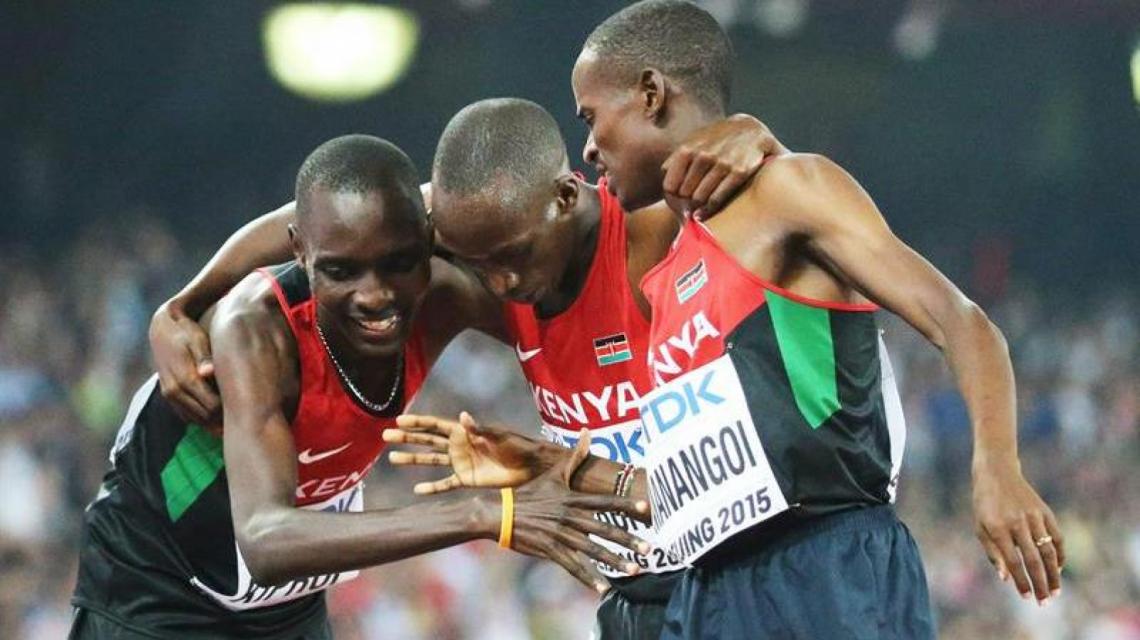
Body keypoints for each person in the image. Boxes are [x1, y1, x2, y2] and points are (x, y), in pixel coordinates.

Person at [395, 1, 1065, 638]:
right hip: (710, 587)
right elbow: (709, 489)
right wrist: (556, 465)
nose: (590, 148)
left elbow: (961, 318)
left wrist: (997, 468)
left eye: (593, 118)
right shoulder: (666, 259)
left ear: (652, 94)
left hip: (825, 566)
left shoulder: (786, 190)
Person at [148, 107, 786, 639]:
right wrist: (185, 302)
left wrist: (762, 142)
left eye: (511, 257)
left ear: (564, 202)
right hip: (642, 598)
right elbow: (330, 220)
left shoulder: (646, 239)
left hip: (749, 578)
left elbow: (791, 214)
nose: (502, 280)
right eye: (480, 262)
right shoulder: (488, 255)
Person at [69, 135, 647, 639]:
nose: (374, 296)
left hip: (283, 608)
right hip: (152, 588)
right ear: (301, 253)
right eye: (341, 271)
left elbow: (568, 289)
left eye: (397, 264)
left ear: (427, 239)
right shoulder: (254, 328)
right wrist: (182, 306)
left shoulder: (442, 294)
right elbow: (266, 541)